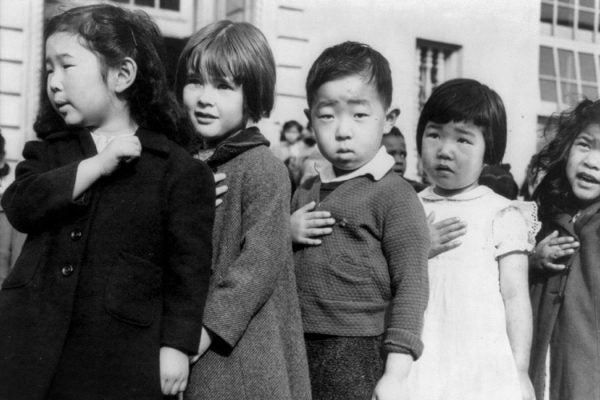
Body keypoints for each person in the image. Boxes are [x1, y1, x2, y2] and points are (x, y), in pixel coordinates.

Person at [0, 5, 215, 400]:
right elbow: (21, 206)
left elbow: (188, 271)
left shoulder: (177, 171)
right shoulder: (49, 151)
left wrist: (177, 346)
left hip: (118, 356)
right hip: (32, 345)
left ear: (122, 75)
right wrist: (97, 165)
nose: (54, 82)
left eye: (66, 66)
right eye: (49, 69)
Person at [174, 20, 311, 400]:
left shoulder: (262, 167)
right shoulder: (184, 166)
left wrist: (202, 333)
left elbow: (259, 264)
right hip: (184, 339)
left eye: (222, 86)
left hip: (237, 350)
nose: (204, 97)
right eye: (194, 81)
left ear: (252, 96)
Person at [291, 41, 430, 400]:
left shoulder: (395, 194)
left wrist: (396, 373)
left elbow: (411, 286)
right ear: (309, 118)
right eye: (327, 115)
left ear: (389, 119)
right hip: (293, 341)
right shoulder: (307, 187)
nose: (342, 130)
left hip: (355, 351)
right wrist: (286, 232)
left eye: (359, 114)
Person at [407, 78, 538, 400]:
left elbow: (514, 296)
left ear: (488, 151)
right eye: (434, 134)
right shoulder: (407, 205)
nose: (445, 150)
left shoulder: (501, 213)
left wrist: (519, 371)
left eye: (463, 140)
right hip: (419, 351)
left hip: (480, 361)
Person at [528, 99, 600, 400]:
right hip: (542, 368)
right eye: (585, 145)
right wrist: (533, 260)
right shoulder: (546, 216)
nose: (593, 161)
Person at [382, 126, 428, 192]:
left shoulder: (417, 190)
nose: (399, 161)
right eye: (391, 154)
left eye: (402, 155)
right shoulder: (366, 190)